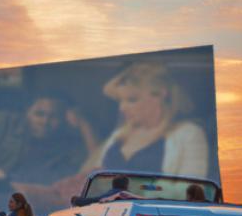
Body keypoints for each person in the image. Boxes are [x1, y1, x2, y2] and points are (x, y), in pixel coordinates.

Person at [86, 62, 217, 179]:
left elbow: (192, 191)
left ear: (159, 95)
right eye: (120, 100)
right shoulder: (118, 135)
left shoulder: (188, 134)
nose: (122, 108)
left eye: (132, 99)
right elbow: (94, 179)